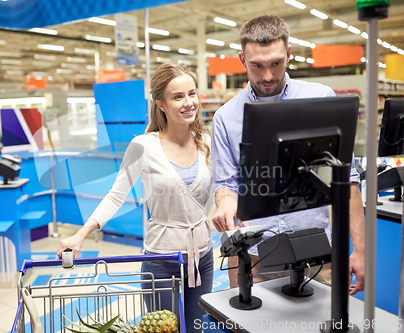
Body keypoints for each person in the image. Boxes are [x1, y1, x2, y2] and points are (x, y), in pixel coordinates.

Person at [211, 15, 365, 295]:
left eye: (276, 63)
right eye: (257, 65)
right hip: (254, 258)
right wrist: (224, 203)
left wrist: (361, 250)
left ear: (289, 54)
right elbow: (226, 184)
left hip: (317, 254)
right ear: (242, 60)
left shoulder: (322, 100)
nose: (267, 75)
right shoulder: (225, 118)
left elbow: (348, 179)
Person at [57, 63, 214, 332]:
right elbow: (115, 197)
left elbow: (218, 192)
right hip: (162, 261)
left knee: (198, 328)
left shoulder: (207, 143)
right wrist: (81, 234)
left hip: (203, 257)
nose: (189, 103)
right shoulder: (143, 146)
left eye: (192, 93)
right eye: (178, 97)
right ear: (161, 104)